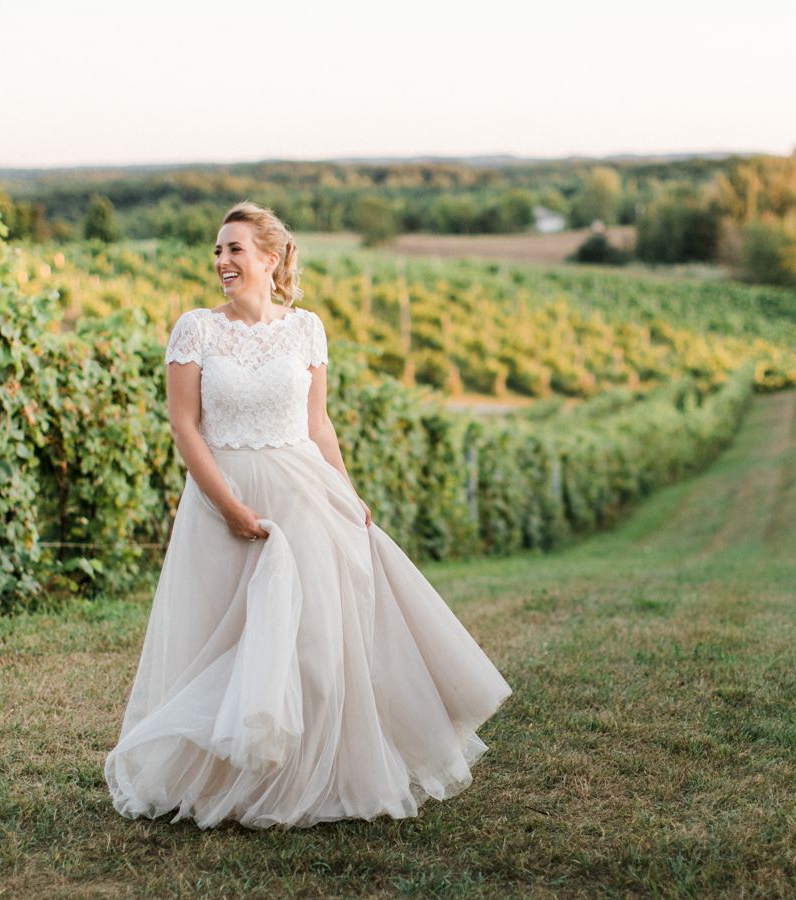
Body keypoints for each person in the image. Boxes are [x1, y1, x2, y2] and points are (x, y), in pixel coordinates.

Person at [103, 201, 512, 829]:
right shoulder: (196, 330)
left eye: (235, 249)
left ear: (270, 257)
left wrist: (344, 493)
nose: (221, 261)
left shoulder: (307, 330)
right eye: (217, 250)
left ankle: (315, 778)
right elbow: (185, 428)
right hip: (225, 501)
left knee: (315, 641)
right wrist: (233, 507)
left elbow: (318, 423)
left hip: (304, 494)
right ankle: (231, 784)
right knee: (231, 644)